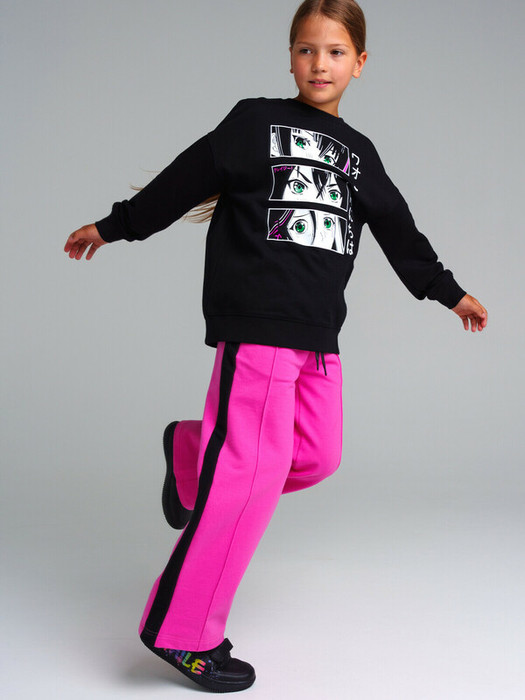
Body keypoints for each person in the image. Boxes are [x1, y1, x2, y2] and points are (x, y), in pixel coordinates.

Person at [64, 0, 488, 693]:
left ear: (360, 63)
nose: (319, 64)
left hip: (317, 335)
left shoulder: (359, 155)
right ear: (289, 57)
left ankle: (191, 451)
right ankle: (180, 632)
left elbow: (399, 232)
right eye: (306, 50)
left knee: (315, 455)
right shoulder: (254, 122)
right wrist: (115, 227)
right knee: (247, 482)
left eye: (335, 52)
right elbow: (182, 179)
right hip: (257, 324)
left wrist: (449, 292)